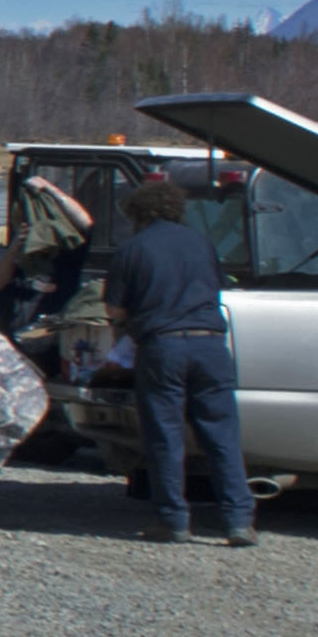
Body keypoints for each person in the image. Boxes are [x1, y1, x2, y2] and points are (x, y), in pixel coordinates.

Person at [96, 173, 250, 547]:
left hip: (163, 347)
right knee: (222, 435)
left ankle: (174, 520)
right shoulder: (202, 243)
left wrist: (126, 331)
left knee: (166, 436)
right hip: (212, 345)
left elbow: (115, 308)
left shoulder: (132, 250)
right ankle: (239, 521)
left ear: (137, 213)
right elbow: (217, 287)